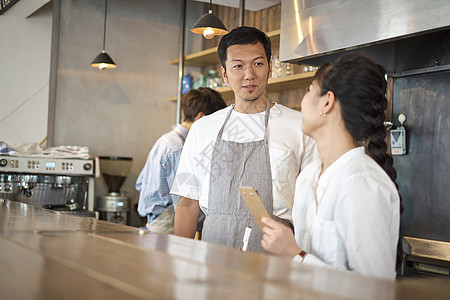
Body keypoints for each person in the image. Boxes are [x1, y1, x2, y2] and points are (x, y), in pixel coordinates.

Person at [171, 26, 317, 252]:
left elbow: (312, 207)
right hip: (213, 253)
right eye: (238, 66)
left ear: (270, 68)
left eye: (258, 63)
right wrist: (178, 260)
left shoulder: (300, 126)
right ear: (225, 73)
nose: (249, 74)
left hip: (276, 258)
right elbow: (188, 203)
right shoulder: (202, 129)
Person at [260, 54, 402, 280]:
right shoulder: (308, 177)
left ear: (327, 102)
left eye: (309, 90)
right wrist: (281, 258)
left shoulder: (363, 184)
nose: (303, 100)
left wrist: (296, 256)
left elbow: (375, 290)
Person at [136, 88, 227, 233]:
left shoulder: (166, 140)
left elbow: (140, 184)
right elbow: (184, 203)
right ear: (201, 118)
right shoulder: (179, 148)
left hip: (154, 222)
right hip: (166, 228)